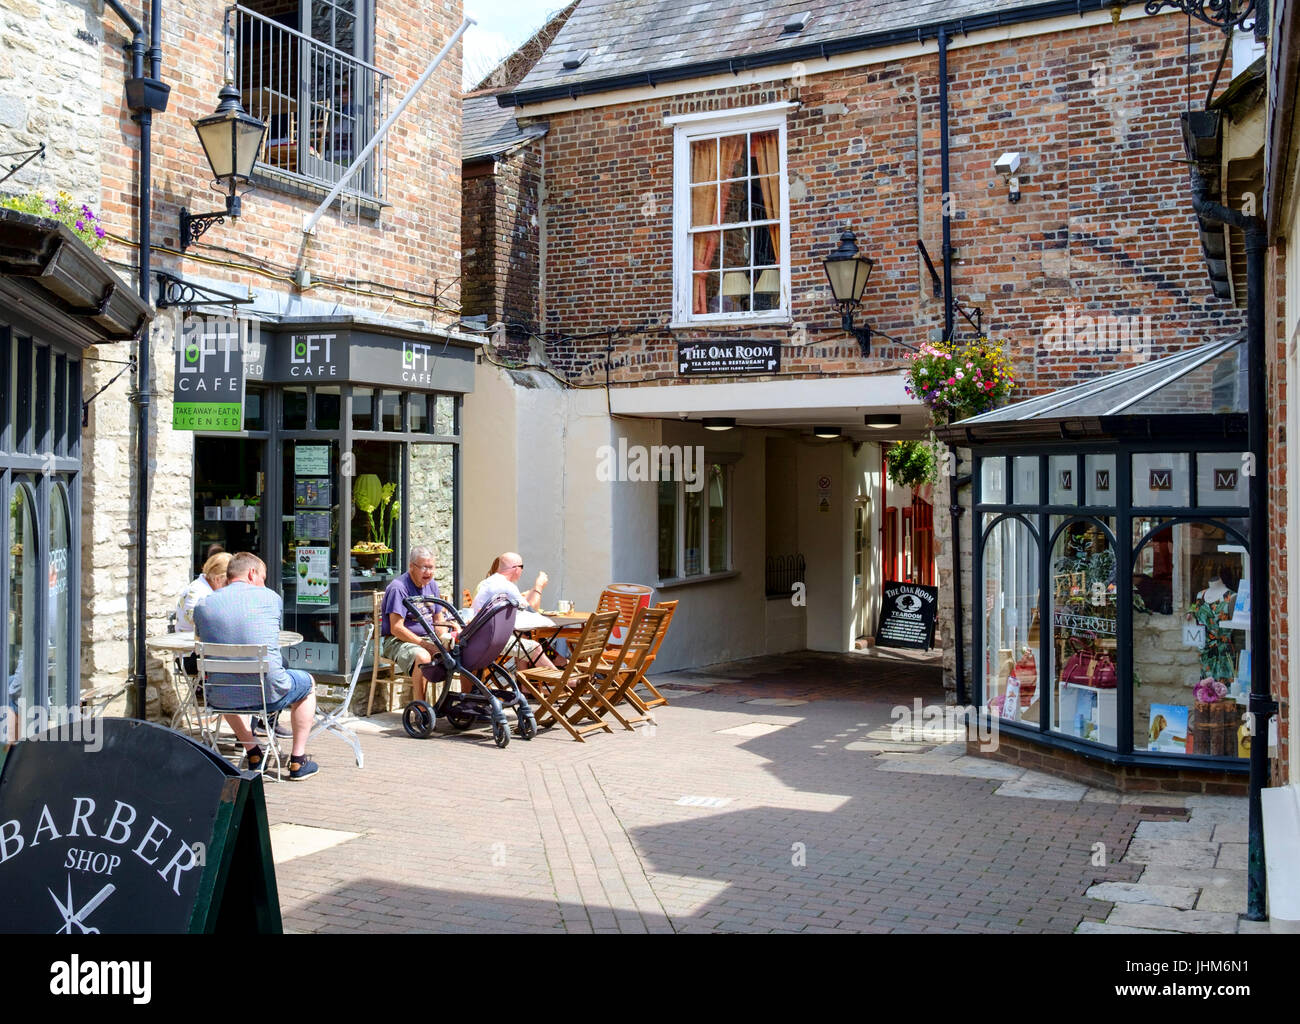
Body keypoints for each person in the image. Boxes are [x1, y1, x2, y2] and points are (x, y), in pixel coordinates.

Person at [193, 552, 319, 780]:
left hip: (219, 694)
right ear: (252, 574)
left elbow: (203, 638)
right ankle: (298, 762)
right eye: (263, 576)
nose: (263, 582)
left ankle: (252, 752)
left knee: (227, 682)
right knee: (308, 684)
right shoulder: (270, 598)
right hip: (267, 692)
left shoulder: (203, 603)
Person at [380, 546, 459, 704]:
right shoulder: (399, 588)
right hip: (398, 641)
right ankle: (421, 708)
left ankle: (464, 702)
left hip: (427, 638)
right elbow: (396, 628)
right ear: (411, 566)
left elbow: (438, 619)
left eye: (431, 568)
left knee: (463, 650)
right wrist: (426, 645)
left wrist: (443, 638)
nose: (428, 572)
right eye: (424, 567)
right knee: (423, 656)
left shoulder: (432, 585)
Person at [472, 551, 559, 670]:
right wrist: (538, 586)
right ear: (516, 569)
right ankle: (564, 682)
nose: (522, 571)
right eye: (522, 567)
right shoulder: (506, 586)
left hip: (481, 636)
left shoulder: (489, 582)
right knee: (534, 646)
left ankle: (525, 685)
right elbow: (531, 610)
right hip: (489, 641)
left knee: (524, 639)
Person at [175, 551, 232, 633]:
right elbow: (203, 624)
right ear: (217, 579)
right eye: (228, 581)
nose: (231, 585)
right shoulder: (197, 592)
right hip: (191, 643)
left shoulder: (202, 587)